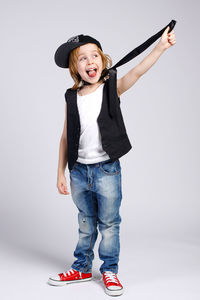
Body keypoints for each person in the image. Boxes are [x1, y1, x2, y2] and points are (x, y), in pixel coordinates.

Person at [48, 26, 176, 297]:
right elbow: (64, 137)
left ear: (102, 61)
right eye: (82, 58)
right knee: (85, 220)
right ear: (75, 68)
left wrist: (161, 47)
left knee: (109, 223)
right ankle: (82, 267)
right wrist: (60, 172)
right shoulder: (71, 97)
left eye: (95, 55)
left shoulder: (111, 88)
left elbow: (137, 71)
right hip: (79, 171)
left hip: (106, 170)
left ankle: (109, 270)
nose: (90, 61)